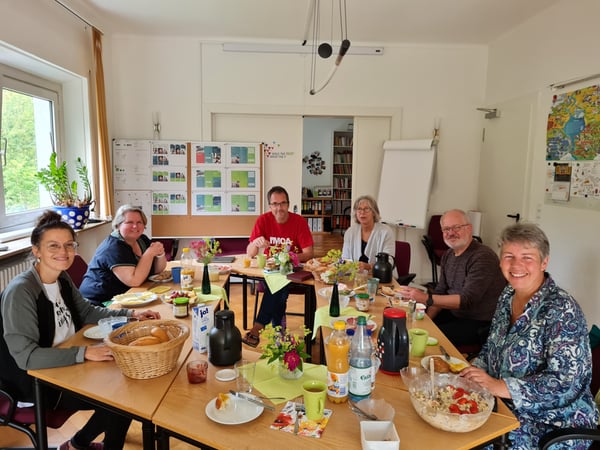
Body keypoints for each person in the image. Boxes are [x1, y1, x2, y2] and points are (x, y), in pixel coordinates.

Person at [0, 210, 161, 450]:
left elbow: (88, 312)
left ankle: (80, 444)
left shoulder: (62, 279)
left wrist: (131, 314)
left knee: (131, 379)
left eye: (68, 245)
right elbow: (26, 357)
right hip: (33, 380)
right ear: (36, 251)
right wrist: (83, 354)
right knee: (124, 395)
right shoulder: (21, 291)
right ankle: (82, 443)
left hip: (66, 361)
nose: (63, 252)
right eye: (53, 246)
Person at [461, 223, 598, 449]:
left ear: (544, 262)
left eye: (527, 257)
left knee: (475, 441)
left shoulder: (562, 309)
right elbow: (491, 348)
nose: (516, 265)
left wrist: (499, 386)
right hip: (506, 405)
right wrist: (472, 371)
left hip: (554, 422)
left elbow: (565, 384)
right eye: (509, 256)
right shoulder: (507, 295)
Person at [400, 209, 506, 346]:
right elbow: (440, 291)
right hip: (454, 313)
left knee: (426, 340)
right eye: (446, 229)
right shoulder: (449, 255)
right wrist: (426, 320)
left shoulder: (483, 256)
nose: (451, 233)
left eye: (456, 227)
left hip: (479, 322)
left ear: (469, 229)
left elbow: (468, 300)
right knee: (412, 328)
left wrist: (425, 298)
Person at [242, 186, 314, 347]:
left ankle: (258, 327)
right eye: (275, 204)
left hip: (293, 271)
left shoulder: (299, 222)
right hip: (270, 271)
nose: (279, 208)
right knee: (278, 292)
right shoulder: (263, 220)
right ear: (270, 206)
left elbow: (309, 253)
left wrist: (290, 257)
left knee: (278, 288)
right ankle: (279, 332)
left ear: (288, 204)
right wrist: (255, 243)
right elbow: (250, 253)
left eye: (282, 203)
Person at [80, 205, 167, 305]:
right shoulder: (113, 247)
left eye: (139, 222)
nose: (135, 226)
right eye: (129, 222)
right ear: (118, 225)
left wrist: (160, 254)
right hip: (100, 302)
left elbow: (156, 270)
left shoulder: (141, 239)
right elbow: (134, 281)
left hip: (128, 295)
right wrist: (150, 253)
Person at [341, 195, 395, 272]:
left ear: (373, 212)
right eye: (359, 209)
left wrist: (368, 266)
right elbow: (345, 258)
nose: (362, 212)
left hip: (380, 277)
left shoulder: (385, 232)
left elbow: (389, 263)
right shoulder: (350, 232)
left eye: (366, 209)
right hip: (355, 277)